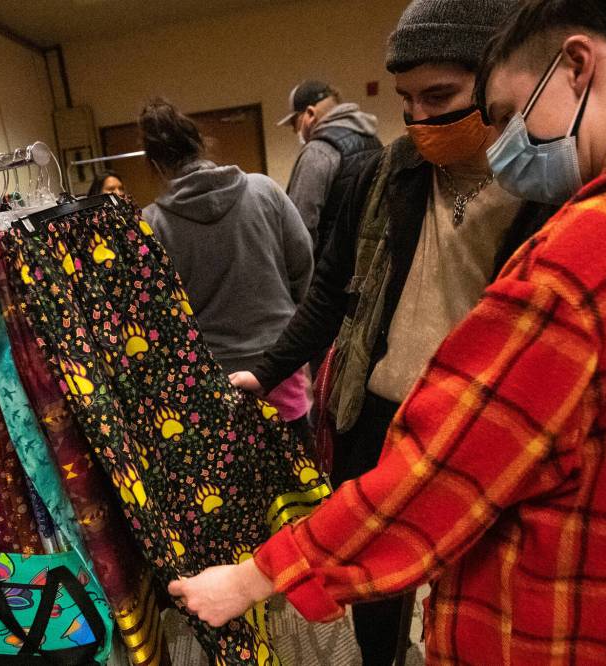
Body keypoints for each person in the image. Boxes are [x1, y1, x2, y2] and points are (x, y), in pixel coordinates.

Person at [170, 1, 606, 664]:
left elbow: (447, 471)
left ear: (578, 67)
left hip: (562, 618)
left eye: (508, 112)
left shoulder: (601, 249)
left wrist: (254, 577)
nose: (507, 140)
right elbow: (333, 291)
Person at [230, 1, 553, 663]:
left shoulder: (547, 185)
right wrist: (266, 370)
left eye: (441, 96)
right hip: (375, 414)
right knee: (372, 597)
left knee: (477, 598)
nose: (419, 119)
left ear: (495, 79)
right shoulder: (384, 174)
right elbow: (328, 296)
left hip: (477, 426)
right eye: (407, 100)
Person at [140, 99, 315, 433]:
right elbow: (304, 265)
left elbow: (159, 313)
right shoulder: (265, 190)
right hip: (279, 361)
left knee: (230, 478)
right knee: (301, 469)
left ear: (158, 167)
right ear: (201, 146)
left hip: (209, 377)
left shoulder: (152, 224)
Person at [279, 80, 382, 261]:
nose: (296, 132)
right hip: (370, 267)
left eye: (295, 124)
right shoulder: (373, 140)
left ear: (310, 114)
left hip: (331, 276)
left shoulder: (318, 150)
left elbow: (300, 232)